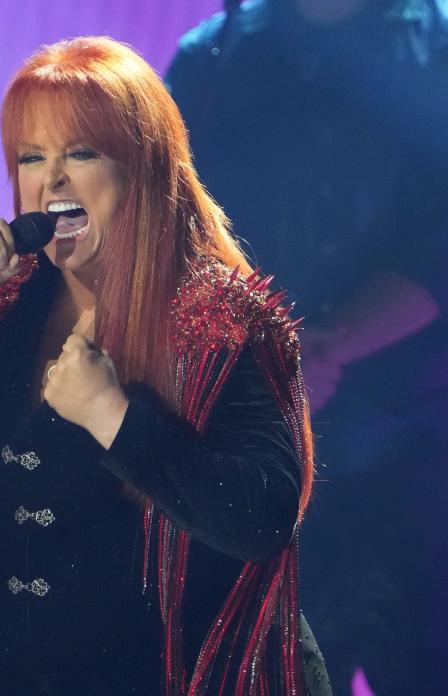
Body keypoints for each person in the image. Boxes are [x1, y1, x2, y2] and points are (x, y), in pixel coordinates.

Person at [0, 36, 330, 696]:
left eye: (80, 153)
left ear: (142, 166)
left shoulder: (221, 318)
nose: (51, 180)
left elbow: (261, 521)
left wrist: (113, 417)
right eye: (31, 157)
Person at [165, 2, 447, 691]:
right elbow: (163, 235)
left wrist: (328, 346)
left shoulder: (436, 47)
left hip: (418, 457)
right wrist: (264, 355)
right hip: (258, 459)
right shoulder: (214, 55)